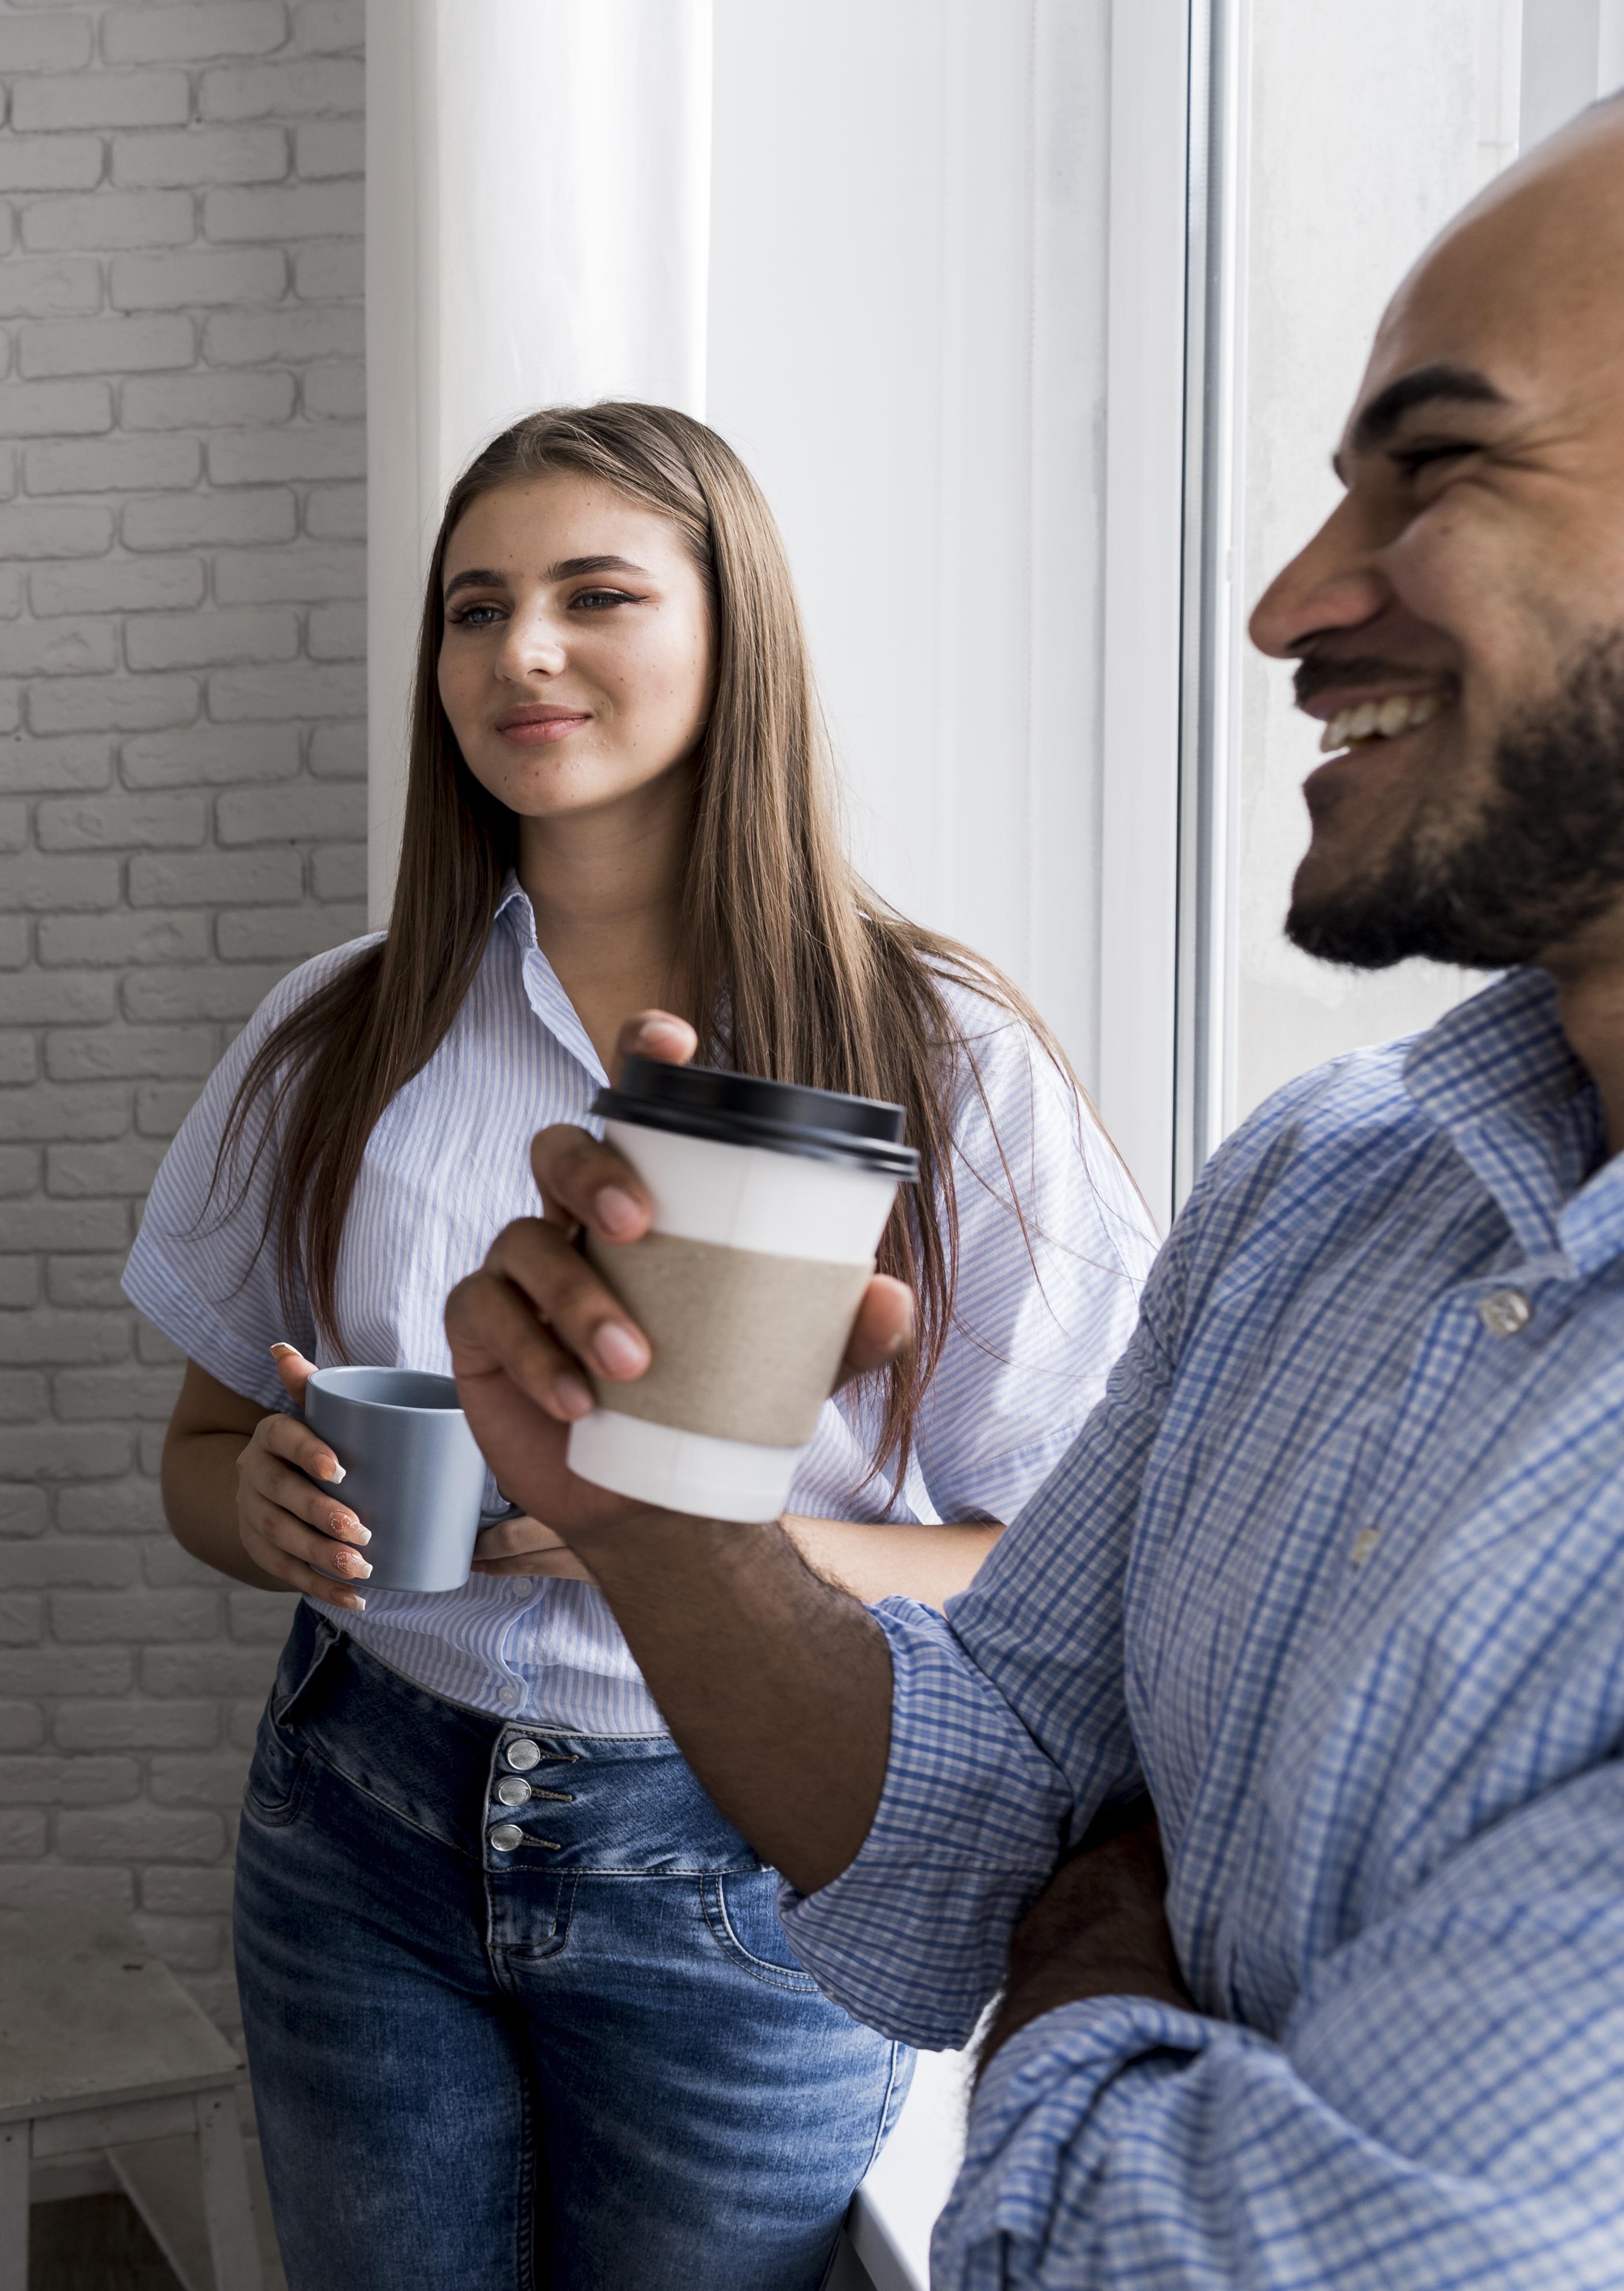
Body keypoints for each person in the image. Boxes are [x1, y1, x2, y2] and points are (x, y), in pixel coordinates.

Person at [446, 107, 1624, 2291]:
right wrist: (663, 1528)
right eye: (478, 606)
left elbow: (1179, 2261)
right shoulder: (1321, 1187)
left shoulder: (956, 1043)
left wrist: (1081, 1981)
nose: (1287, 600)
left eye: (1436, 466)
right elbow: (986, 1812)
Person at [125, 402, 1155, 2289]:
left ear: (730, 635)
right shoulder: (337, 1032)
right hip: (358, 1815)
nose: (521, 650)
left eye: (595, 594)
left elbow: (1069, 1574)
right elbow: (198, 1456)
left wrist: (679, 1547)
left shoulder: (941, 1061)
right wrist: (257, 1504)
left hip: (743, 1854)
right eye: (473, 608)